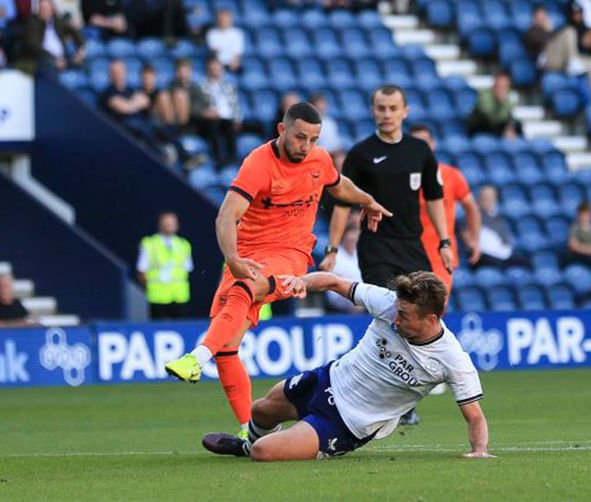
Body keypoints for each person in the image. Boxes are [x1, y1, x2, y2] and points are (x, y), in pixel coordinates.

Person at [163, 102, 391, 440]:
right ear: (282, 130)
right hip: (248, 254)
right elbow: (226, 216)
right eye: (301, 137)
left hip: (291, 254)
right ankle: (248, 430)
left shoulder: (319, 159)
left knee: (248, 288)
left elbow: (339, 185)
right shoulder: (258, 163)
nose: (307, 146)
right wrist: (234, 257)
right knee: (228, 348)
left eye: (313, 139)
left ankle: (196, 356)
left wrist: (367, 200)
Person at [201, 270, 493, 462]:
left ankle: (258, 446)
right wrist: (303, 282)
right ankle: (247, 444)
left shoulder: (452, 358)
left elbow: (475, 416)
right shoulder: (389, 303)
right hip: (326, 380)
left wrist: (479, 451)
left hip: (347, 422)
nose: (396, 319)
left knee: (264, 453)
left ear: (431, 319)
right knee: (259, 410)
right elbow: (333, 282)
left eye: (404, 316)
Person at [321, 85, 452, 427]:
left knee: (418, 317)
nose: (387, 114)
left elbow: (434, 197)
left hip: (412, 244)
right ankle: (393, 398)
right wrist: (333, 249)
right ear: (373, 110)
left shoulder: (420, 151)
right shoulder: (362, 154)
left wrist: (444, 241)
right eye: (381, 107)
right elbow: (341, 202)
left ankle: (401, 394)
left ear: (404, 111)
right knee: (394, 312)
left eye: (393, 108)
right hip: (376, 246)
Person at [409, 124, 481, 295]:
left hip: (441, 256)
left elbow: (471, 206)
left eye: (424, 142)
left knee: (435, 308)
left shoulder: (450, 175)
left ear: (433, 144)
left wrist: (475, 240)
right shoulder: (401, 177)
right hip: (409, 254)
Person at [524, 4, 591, 103]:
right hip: (547, 61)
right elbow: (546, 42)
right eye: (539, 16)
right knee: (569, 31)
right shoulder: (531, 31)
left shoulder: (549, 30)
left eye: (544, 15)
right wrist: (549, 30)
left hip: (562, 62)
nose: (542, 18)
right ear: (534, 18)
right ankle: (573, 61)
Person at [136, 211, 193, 320]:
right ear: (160, 225)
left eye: (172, 223)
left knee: (181, 327)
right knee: (159, 327)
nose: (169, 226)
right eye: (166, 223)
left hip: (179, 296)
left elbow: (187, 269)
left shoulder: (184, 245)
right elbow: (141, 271)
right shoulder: (150, 244)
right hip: (157, 297)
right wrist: (149, 288)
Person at [470, 185, 529, 269]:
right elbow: (469, 242)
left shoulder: (498, 219)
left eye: (491, 198)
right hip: (485, 256)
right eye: (485, 198)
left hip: (503, 255)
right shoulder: (470, 218)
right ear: (479, 199)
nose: (488, 201)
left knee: (524, 261)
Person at [19, 0, 85, 75]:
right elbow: (35, 47)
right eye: (43, 9)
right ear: (38, 11)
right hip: (43, 60)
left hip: (63, 57)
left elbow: (74, 30)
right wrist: (54, 60)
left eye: (48, 9)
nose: (46, 12)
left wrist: (80, 48)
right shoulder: (32, 24)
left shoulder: (57, 21)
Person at [198, 55, 241, 168]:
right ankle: (219, 158)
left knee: (232, 124)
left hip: (228, 119)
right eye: (213, 66)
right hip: (212, 119)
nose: (215, 69)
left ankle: (233, 157)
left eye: (217, 66)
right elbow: (200, 105)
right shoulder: (202, 86)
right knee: (214, 124)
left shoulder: (228, 86)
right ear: (208, 68)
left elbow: (235, 104)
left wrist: (238, 118)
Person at [324, 213, 363, 314]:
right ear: (343, 236)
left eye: (355, 234)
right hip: (338, 307)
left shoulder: (361, 253)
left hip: (363, 304)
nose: (352, 238)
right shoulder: (334, 256)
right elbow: (332, 289)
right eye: (349, 235)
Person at [467, 72, 521, 138]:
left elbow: (509, 117)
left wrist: (510, 128)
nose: (501, 89)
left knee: (517, 126)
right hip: (481, 128)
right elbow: (490, 117)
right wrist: (500, 103)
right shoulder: (484, 96)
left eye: (504, 86)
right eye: (499, 85)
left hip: (497, 128)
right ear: (494, 85)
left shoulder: (510, 99)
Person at [309, 93, 345, 170]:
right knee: (338, 160)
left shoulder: (330, 122)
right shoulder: (310, 124)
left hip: (334, 152)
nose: (322, 107)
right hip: (321, 152)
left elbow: (336, 140)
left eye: (323, 104)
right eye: (319, 105)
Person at [205, 8, 244, 72]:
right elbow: (214, 51)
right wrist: (220, 64)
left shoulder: (237, 33)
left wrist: (234, 62)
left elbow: (237, 52)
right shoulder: (211, 33)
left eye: (226, 18)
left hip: (233, 63)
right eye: (221, 19)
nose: (223, 20)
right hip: (218, 63)